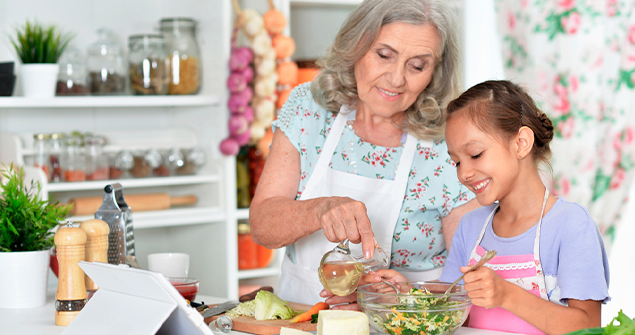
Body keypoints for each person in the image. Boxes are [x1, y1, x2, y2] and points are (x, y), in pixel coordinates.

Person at [249, 0, 479, 308]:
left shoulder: (449, 143)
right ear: (357, 44)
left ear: (435, 71)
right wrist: (319, 211)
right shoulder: (309, 107)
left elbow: (470, 282)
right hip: (299, 321)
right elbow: (262, 226)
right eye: (384, 55)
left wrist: (402, 299)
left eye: (417, 65)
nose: (396, 78)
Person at [367, 80, 610, 334]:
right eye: (457, 162)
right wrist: (409, 293)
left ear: (521, 143)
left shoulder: (571, 226)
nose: (464, 174)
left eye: (475, 155)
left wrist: (507, 295)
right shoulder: (471, 227)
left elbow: (588, 327)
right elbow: (451, 307)